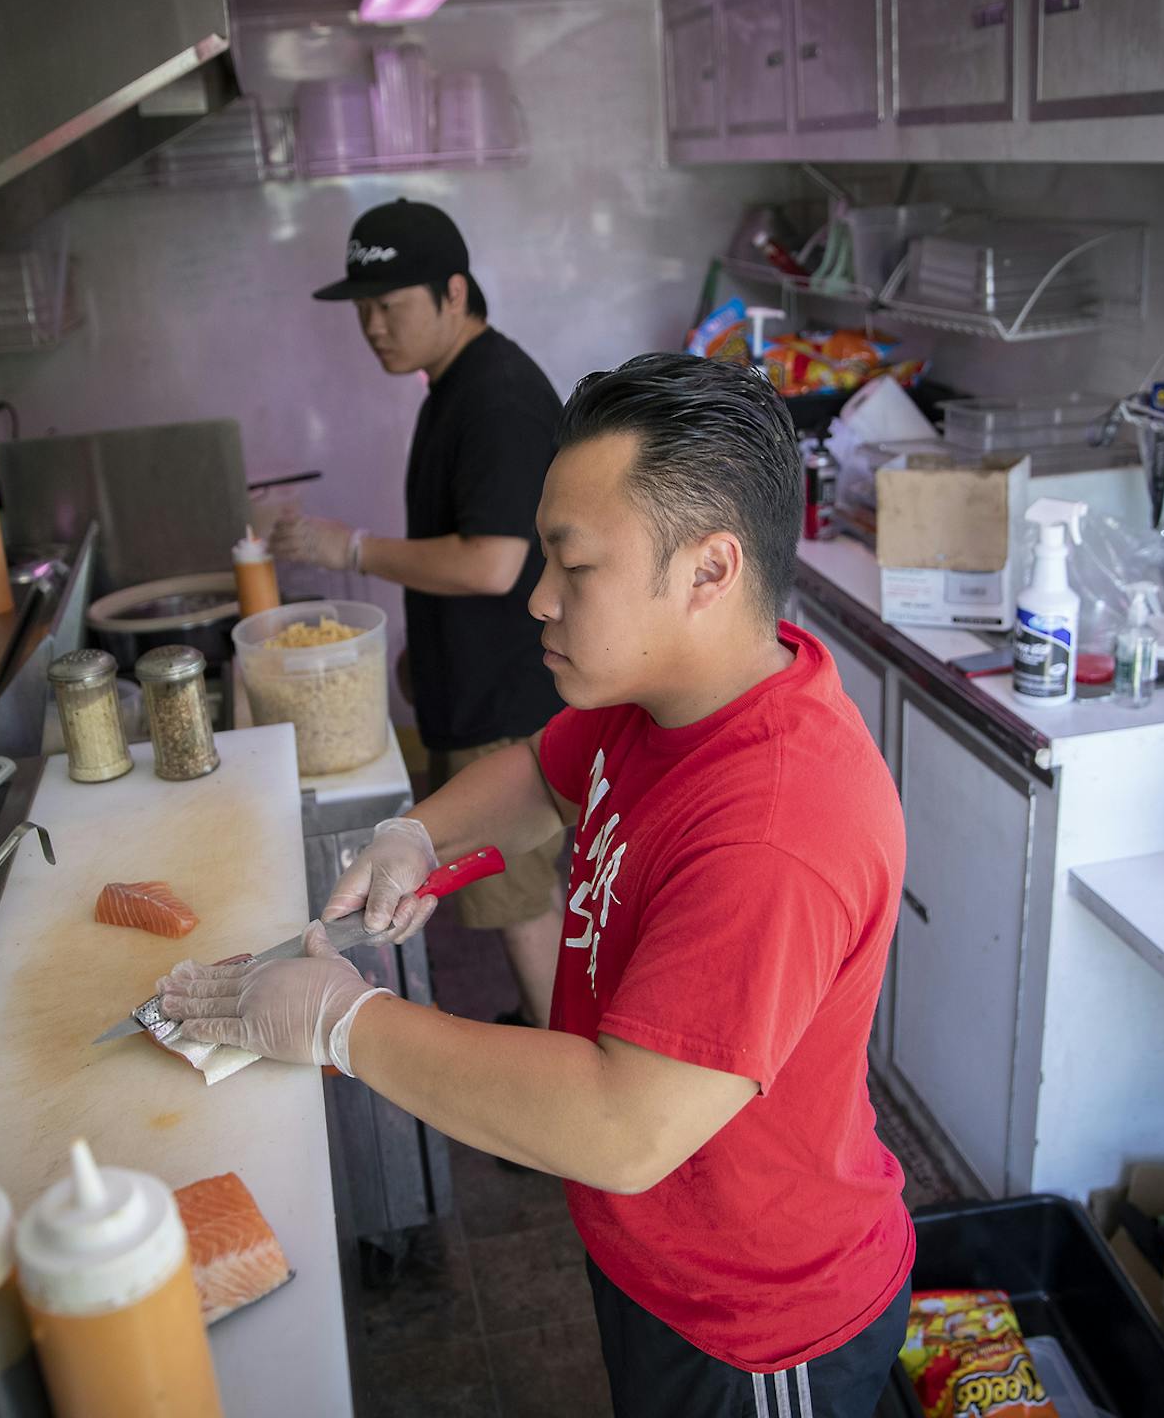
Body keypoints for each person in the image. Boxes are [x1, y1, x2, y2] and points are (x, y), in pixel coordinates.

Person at [164, 353, 915, 1416]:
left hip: (756, 1318)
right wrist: (415, 833)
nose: (539, 599)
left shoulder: (776, 828)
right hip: (658, 1256)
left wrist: (346, 1026)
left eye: (575, 566)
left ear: (709, 570)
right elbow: (544, 772)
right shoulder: (663, 691)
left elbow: (622, 1126)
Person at [276, 198, 565, 1028]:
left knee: (520, 905)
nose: (372, 327)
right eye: (363, 309)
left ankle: (555, 1084)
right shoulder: (454, 381)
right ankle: (552, 1027)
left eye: (389, 306)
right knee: (527, 896)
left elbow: (492, 562)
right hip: (477, 684)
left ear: (453, 292)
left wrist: (352, 549)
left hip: (504, 705)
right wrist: (426, 655)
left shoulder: (497, 396)